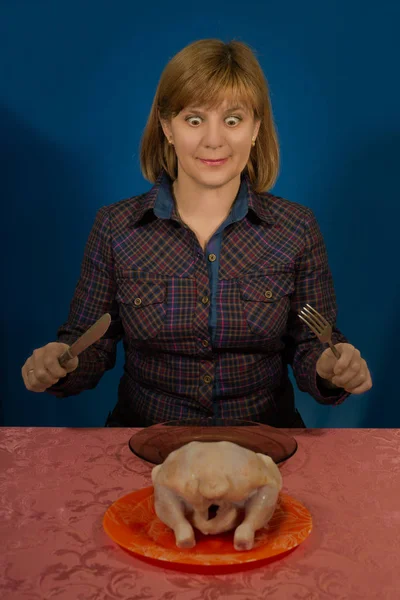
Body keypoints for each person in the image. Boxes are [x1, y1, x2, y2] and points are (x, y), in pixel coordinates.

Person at [21, 39, 372, 428]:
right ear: (167, 126)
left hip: (263, 448)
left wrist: (330, 366)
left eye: (233, 120)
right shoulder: (115, 228)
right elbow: (89, 345)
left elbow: (312, 346)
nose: (213, 140)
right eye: (194, 119)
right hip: (146, 445)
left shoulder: (296, 228)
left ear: (256, 128)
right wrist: (60, 361)